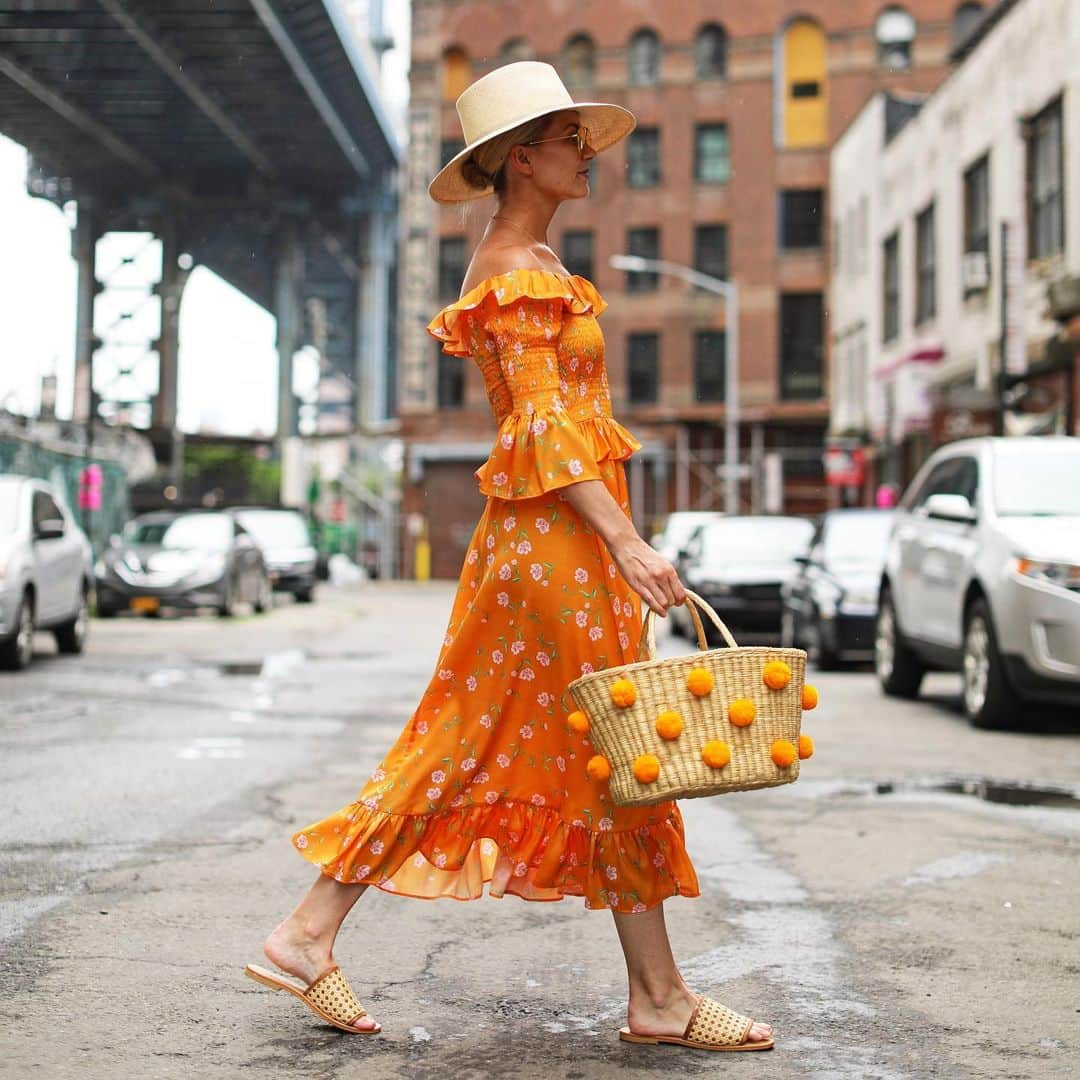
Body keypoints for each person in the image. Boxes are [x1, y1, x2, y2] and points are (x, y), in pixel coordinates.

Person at [245, 61, 773, 1055]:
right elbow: (541, 423)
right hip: (553, 546)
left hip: (553, 540)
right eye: (570, 138)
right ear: (520, 157)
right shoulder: (514, 269)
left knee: (560, 750)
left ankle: (310, 931)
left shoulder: (527, 259)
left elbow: (560, 423)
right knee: (603, 754)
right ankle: (653, 995)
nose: (588, 153)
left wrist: (614, 534)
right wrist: (626, 540)